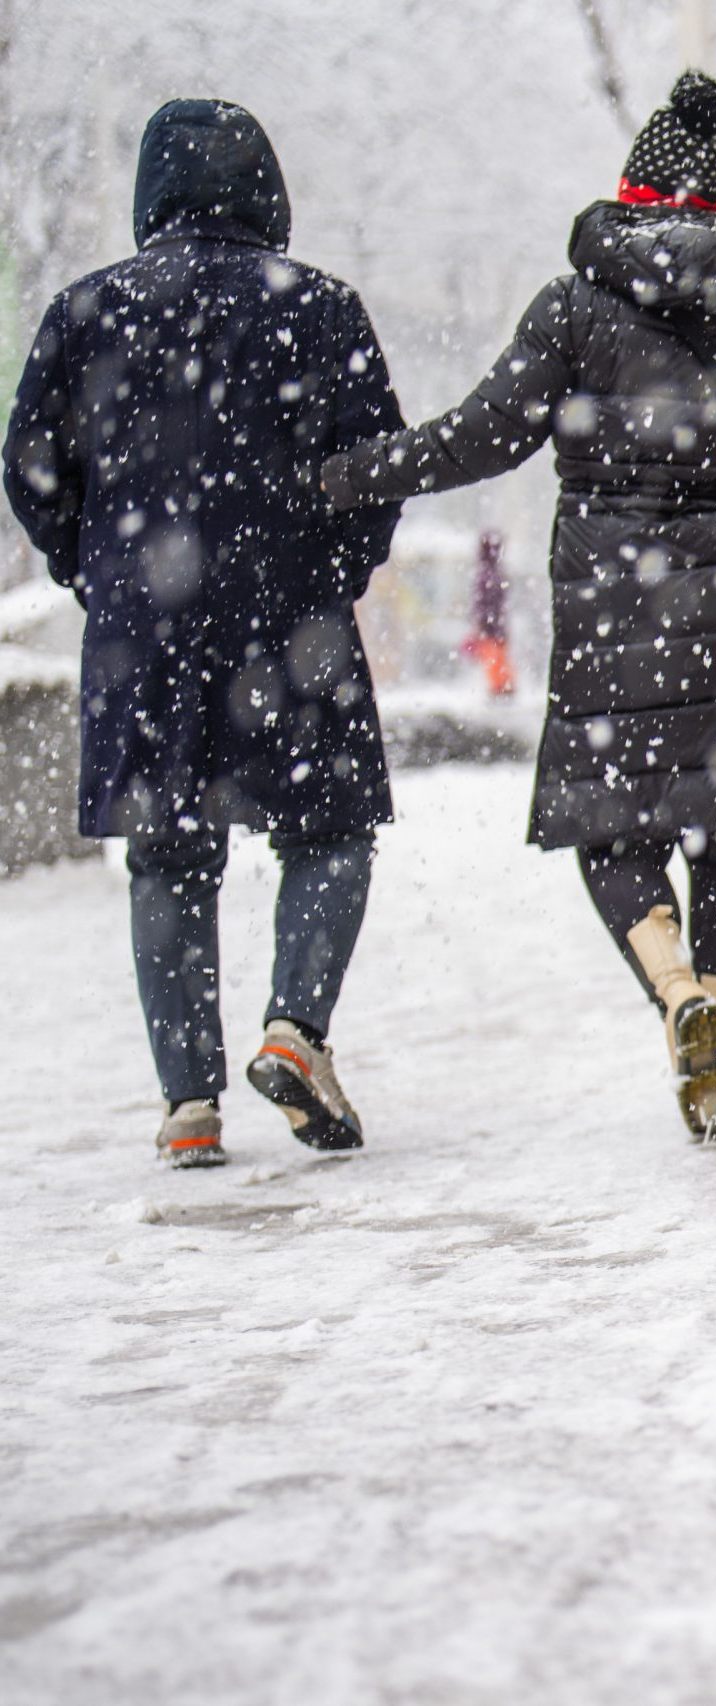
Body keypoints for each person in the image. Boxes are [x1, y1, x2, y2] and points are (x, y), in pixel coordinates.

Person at [321, 72, 716, 1139]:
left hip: (619, 605)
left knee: (615, 823)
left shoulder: (572, 308)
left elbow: (481, 435)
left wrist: (347, 474)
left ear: (626, 191)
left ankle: (675, 988)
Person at [2, 100, 404, 1169]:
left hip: (146, 632)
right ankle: (294, 1027)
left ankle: (188, 1104)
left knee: (168, 853)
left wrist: (102, 573)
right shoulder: (316, 307)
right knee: (327, 827)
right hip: (290, 621)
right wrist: (334, 570)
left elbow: (32, 469)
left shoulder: (87, 312)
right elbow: (378, 468)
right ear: (266, 188)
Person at [464, 529, 515, 697]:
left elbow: (483, 603)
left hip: (490, 626)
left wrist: (481, 622)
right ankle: (502, 686)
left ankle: (500, 687)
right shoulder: (496, 572)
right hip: (495, 625)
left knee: (494, 658)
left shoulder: (486, 573)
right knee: (497, 658)